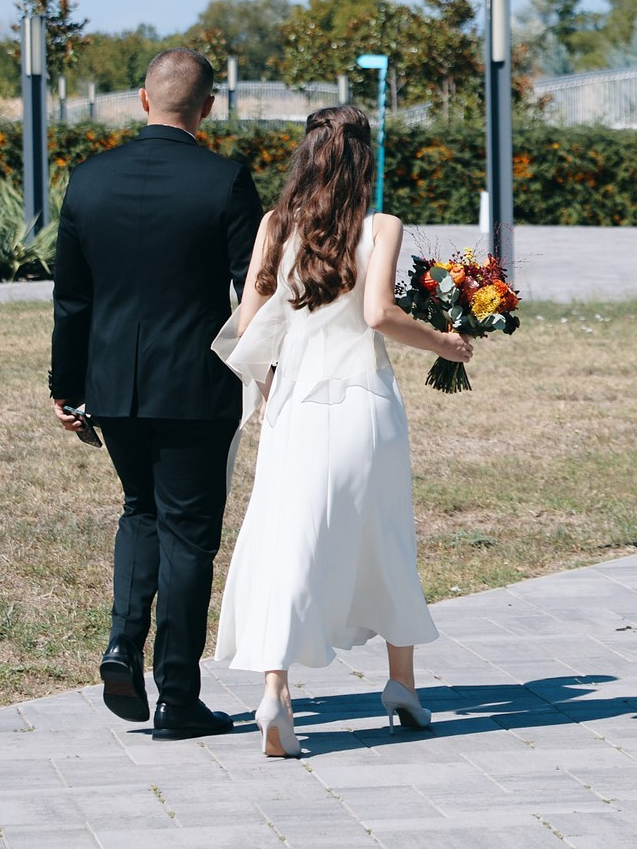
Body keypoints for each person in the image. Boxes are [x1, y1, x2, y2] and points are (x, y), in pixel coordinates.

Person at [212, 104, 473, 757]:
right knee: (384, 535)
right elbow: (379, 313)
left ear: (307, 156)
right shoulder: (380, 226)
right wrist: (445, 342)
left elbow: (247, 330)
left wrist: (273, 389)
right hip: (364, 404)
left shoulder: (276, 226)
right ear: (365, 159)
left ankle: (276, 691)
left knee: (289, 540)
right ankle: (402, 684)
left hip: (298, 407)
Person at [49, 47, 262, 740]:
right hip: (196, 384)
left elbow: (71, 301)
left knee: (139, 510)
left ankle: (120, 645)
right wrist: (265, 371)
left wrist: (66, 385)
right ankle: (177, 695)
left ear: (142, 100)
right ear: (207, 108)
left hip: (111, 383)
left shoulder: (88, 181)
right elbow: (252, 291)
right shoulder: (226, 181)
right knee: (190, 536)